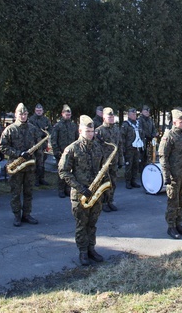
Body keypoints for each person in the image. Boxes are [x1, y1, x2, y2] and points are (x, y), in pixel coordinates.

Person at [58, 115, 106, 266]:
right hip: (80, 194)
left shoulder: (98, 147)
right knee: (81, 224)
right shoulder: (72, 148)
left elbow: (103, 169)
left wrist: (105, 185)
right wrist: (80, 187)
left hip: (96, 193)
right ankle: (83, 252)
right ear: (80, 130)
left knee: (92, 223)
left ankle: (91, 249)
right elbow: (63, 171)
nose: (90, 134)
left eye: (92, 131)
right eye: (87, 131)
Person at [0, 103, 41, 227]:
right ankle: (17, 215)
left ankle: (26, 214)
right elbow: (3, 147)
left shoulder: (33, 129)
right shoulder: (10, 129)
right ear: (16, 114)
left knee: (29, 192)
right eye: (20, 114)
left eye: (25, 114)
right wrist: (19, 154)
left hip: (29, 167)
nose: (23, 116)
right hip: (16, 166)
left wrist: (39, 164)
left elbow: (39, 148)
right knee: (15, 193)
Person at [158, 109, 182, 239]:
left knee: (181, 201)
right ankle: (171, 227)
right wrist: (166, 175)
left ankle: (179, 224)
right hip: (173, 176)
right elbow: (163, 156)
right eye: (181, 122)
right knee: (173, 202)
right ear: (174, 122)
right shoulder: (169, 137)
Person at [95, 107, 123, 212]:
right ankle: (103, 202)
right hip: (103, 162)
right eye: (109, 116)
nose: (111, 118)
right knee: (104, 183)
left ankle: (110, 200)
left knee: (113, 182)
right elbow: (95, 148)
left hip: (114, 161)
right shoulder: (99, 131)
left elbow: (119, 145)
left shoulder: (116, 129)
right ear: (103, 117)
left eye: (112, 116)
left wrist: (120, 160)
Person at [51, 104, 78, 198]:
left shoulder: (73, 125)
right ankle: (61, 189)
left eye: (69, 114)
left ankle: (68, 189)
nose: (68, 115)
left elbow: (77, 139)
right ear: (62, 114)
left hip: (72, 153)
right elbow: (53, 140)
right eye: (66, 114)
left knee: (71, 172)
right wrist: (56, 151)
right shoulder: (58, 126)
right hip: (61, 153)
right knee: (62, 172)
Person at [29, 103, 52, 187]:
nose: (39, 112)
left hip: (43, 144)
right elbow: (30, 131)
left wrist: (47, 134)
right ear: (35, 111)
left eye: (40, 110)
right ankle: (35, 180)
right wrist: (40, 134)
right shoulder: (31, 119)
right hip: (34, 144)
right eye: (37, 110)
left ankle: (41, 179)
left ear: (43, 111)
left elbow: (50, 129)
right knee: (35, 163)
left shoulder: (46, 119)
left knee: (42, 163)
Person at [121, 107, 144, 189]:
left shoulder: (138, 123)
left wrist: (142, 146)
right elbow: (122, 137)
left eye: (135, 114)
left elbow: (142, 135)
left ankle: (133, 181)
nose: (134, 115)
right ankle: (128, 182)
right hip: (129, 148)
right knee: (129, 165)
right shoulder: (125, 124)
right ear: (129, 115)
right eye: (133, 114)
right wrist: (123, 149)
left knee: (136, 165)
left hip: (137, 148)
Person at [138, 105, 157, 171]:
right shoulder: (140, 119)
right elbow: (140, 130)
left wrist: (153, 135)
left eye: (148, 111)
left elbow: (154, 128)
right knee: (142, 155)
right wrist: (147, 135)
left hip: (150, 140)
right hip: (143, 140)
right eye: (146, 111)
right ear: (142, 111)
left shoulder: (150, 120)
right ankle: (141, 169)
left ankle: (147, 168)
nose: (147, 113)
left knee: (149, 156)